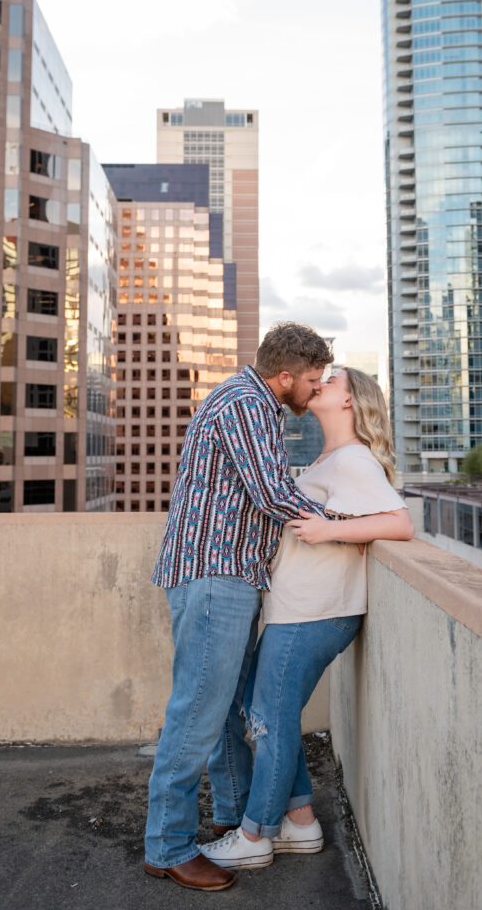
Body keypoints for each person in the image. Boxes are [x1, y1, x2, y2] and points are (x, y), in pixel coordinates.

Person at [143, 322, 338, 892]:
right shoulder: (246, 405)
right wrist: (350, 522)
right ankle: (168, 847)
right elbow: (274, 492)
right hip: (215, 577)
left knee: (226, 706)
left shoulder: (252, 403)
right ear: (284, 376)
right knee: (197, 714)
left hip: (224, 575)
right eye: (311, 379)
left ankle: (232, 814)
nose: (316, 388)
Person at [200, 367, 414, 870]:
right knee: (270, 715)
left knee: (270, 721)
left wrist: (329, 531)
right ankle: (300, 821)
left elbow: (399, 522)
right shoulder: (330, 458)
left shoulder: (355, 459)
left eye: (333, 380)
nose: (320, 382)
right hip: (298, 609)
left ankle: (255, 837)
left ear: (349, 403)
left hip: (317, 611)